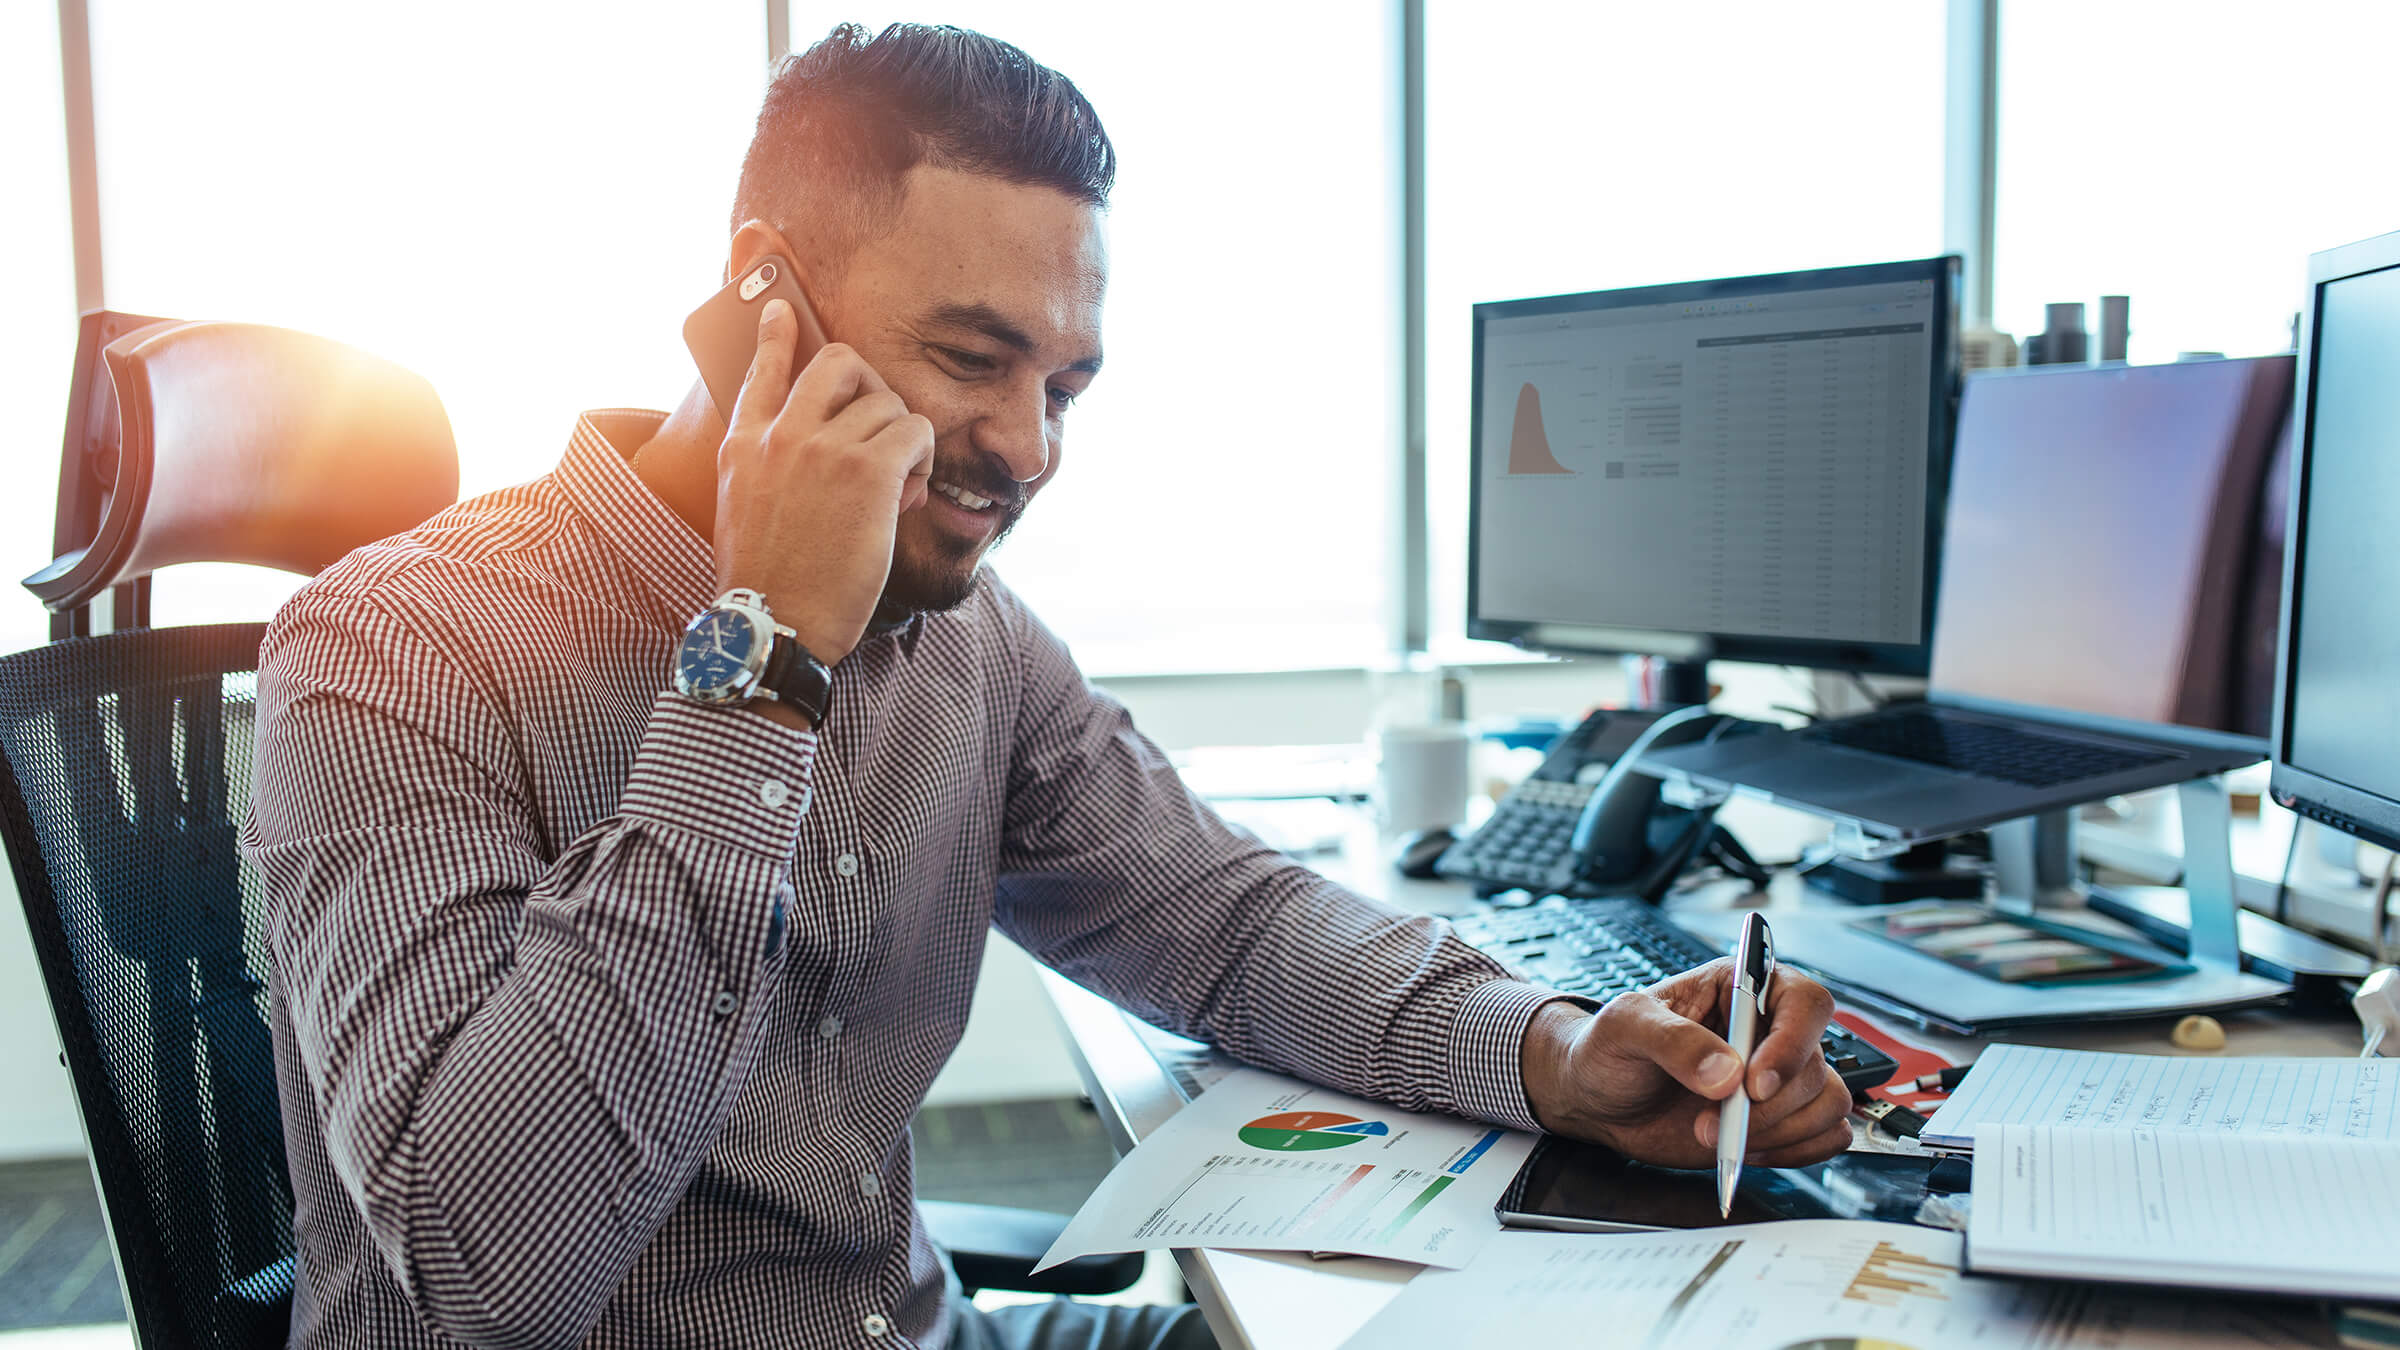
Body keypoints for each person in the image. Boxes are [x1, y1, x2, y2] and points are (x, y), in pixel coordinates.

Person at [242, 22, 1853, 1350]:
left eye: (1065, 383)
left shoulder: (974, 643)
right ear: (766, 297)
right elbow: (478, 1269)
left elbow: (1224, 920)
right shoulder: (394, 650)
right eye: (970, 359)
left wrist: (1554, 1051)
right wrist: (767, 655)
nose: (1029, 447)